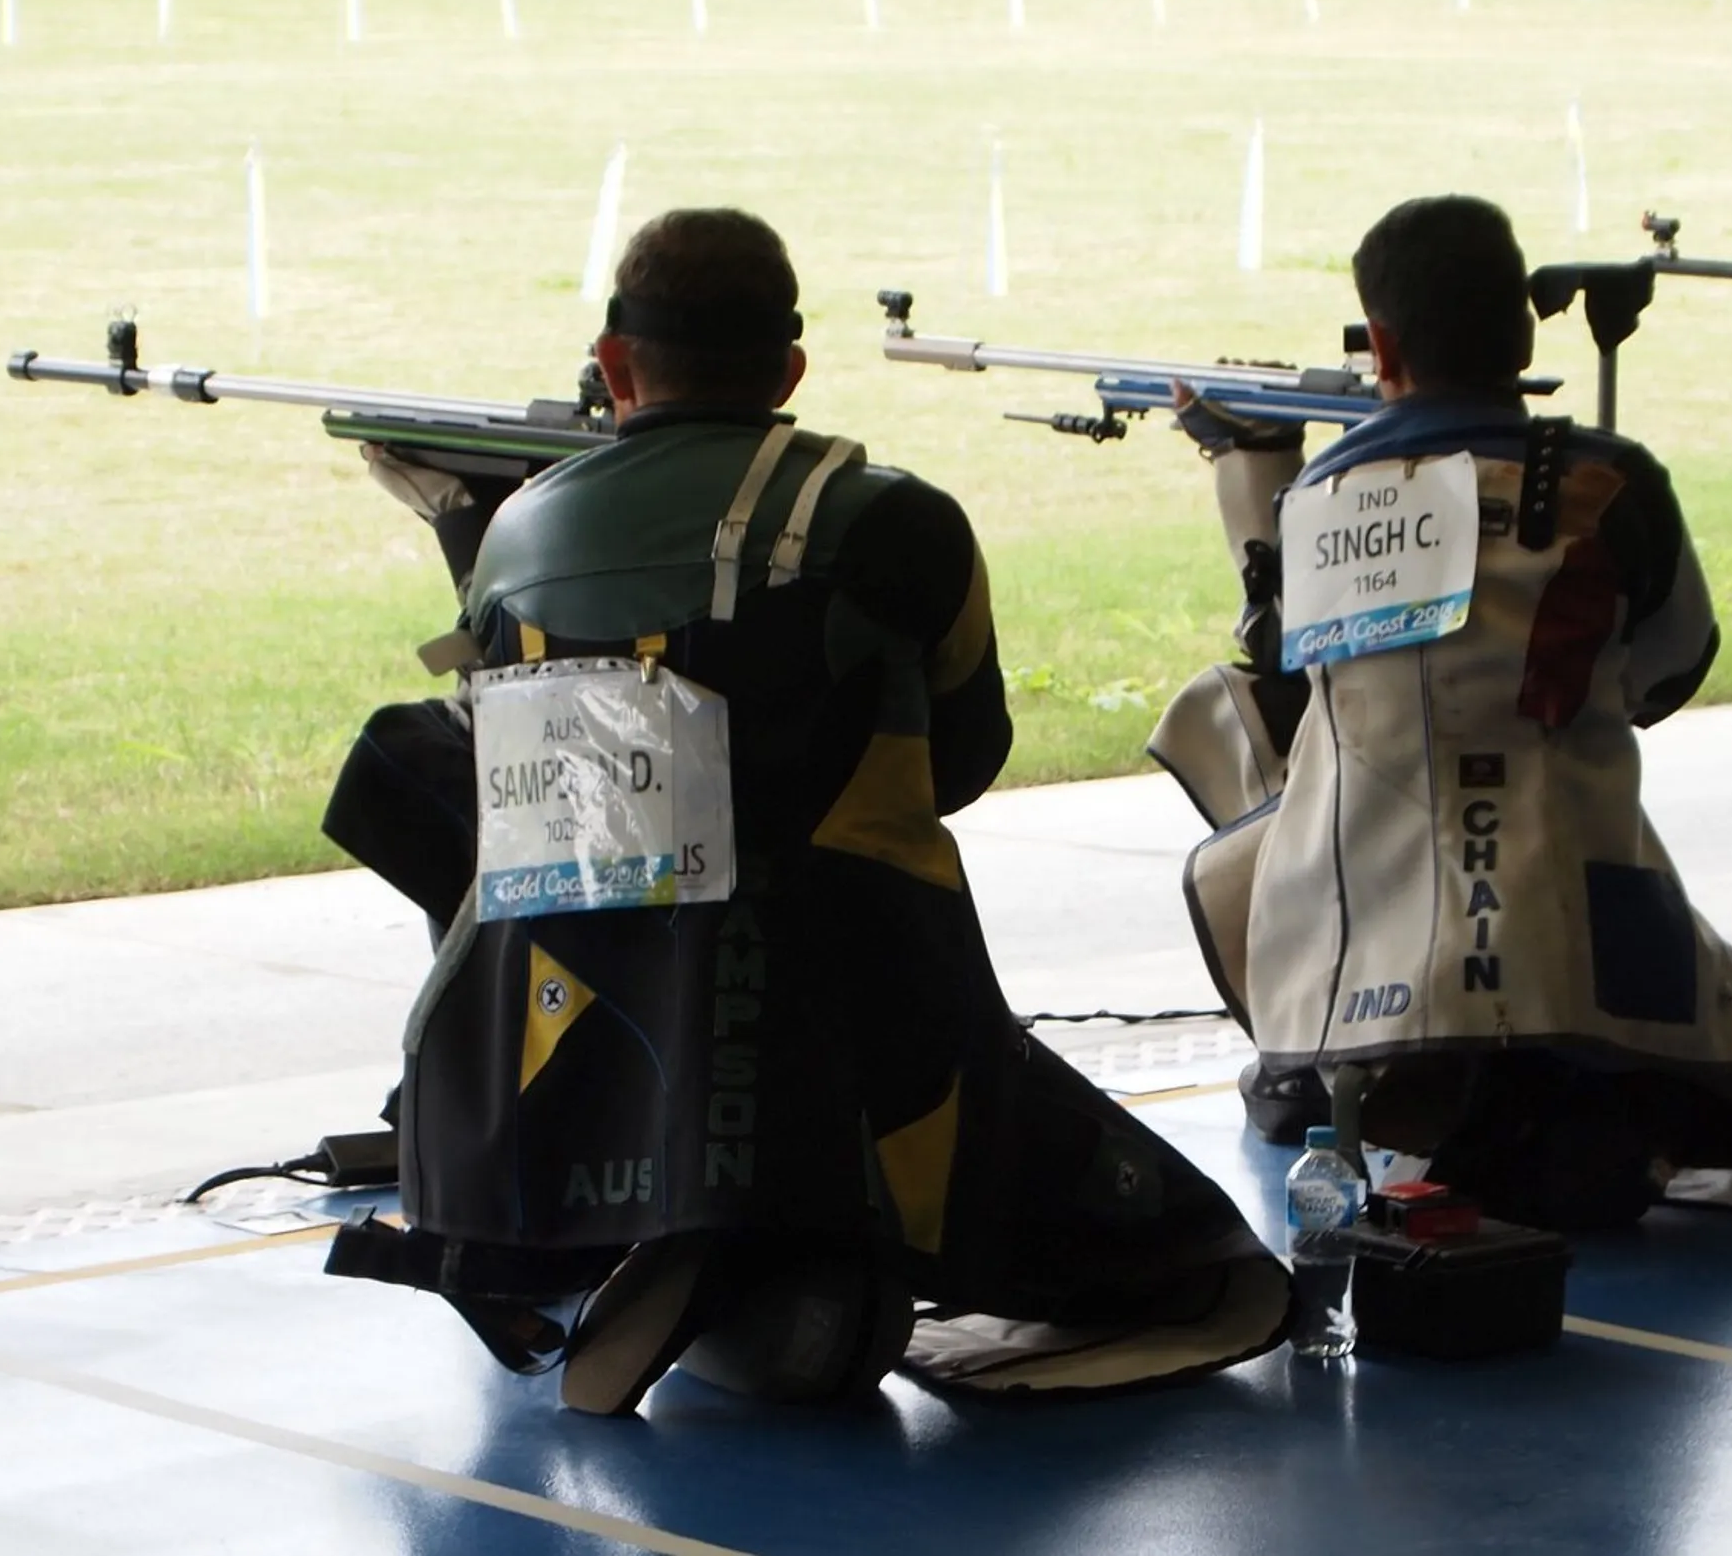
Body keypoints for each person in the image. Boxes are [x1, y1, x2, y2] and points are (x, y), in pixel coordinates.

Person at [324, 207, 1290, 1412]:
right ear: (789, 371)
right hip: (865, 1029)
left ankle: (676, 1238)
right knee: (1205, 1269)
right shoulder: (894, 521)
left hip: (581, 1037)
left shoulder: (511, 538)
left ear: (615, 368)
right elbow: (961, 757)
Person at [1154, 193, 1732, 1230]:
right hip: (1592, 965)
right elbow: (1666, 673)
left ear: (1379, 343)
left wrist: (1237, 456)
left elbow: (1286, 669)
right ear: (1523, 330)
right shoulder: (1612, 485)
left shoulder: (1313, 503)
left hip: (1351, 987)